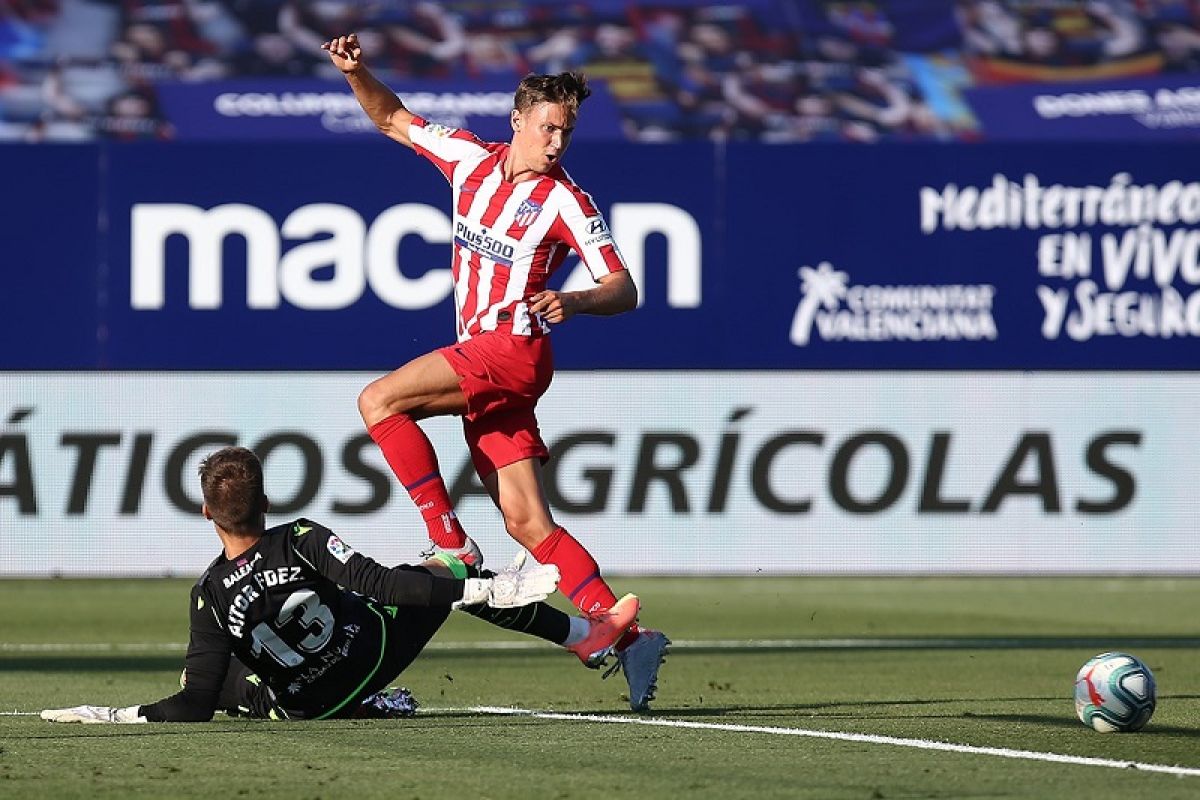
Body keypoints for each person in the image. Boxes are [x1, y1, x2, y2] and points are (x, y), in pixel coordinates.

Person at [322, 32, 670, 712]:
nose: (558, 142)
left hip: (512, 351)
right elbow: (391, 117)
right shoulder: (468, 159)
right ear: (518, 121)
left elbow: (624, 288)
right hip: (490, 358)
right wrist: (357, 73)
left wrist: (575, 299)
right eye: (548, 127)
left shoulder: (569, 200)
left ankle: (448, 542)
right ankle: (619, 633)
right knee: (526, 522)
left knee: (379, 402)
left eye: (567, 130)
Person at [41, 446, 639, 724]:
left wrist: (113, 714)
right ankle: (579, 634)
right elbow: (381, 584)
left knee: (213, 681)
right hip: (372, 654)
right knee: (442, 574)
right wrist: (475, 589)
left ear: (205, 514)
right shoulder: (298, 536)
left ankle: (270, 703)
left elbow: (193, 708)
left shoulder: (207, 596)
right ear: (266, 503)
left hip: (308, 707)